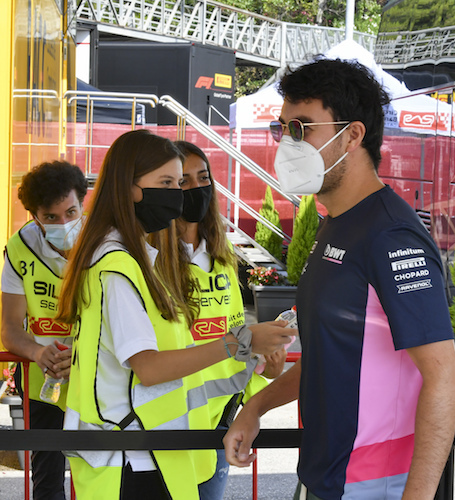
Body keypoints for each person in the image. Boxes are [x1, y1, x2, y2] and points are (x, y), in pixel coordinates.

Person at [223, 59, 455, 500]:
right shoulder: (336, 222)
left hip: (375, 483)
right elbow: (334, 359)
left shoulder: (390, 234)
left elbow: (445, 376)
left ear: (353, 135)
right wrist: (255, 407)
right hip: (328, 476)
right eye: (283, 129)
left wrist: (420, 493)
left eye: (302, 129)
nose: (287, 143)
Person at [55, 130, 293, 500]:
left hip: (154, 450)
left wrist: (251, 360)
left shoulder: (132, 262)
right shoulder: (117, 267)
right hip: (133, 458)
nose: (179, 195)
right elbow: (148, 368)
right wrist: (243, 341)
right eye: (168, 183)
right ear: (130, 188)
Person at [174, 140, 287, 500]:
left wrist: (269, 367)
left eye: (202, 177)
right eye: (182, 182)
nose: (195, 189)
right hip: (163, 428)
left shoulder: (222, 258)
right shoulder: (145, 261)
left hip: (218, 424)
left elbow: (240, 341)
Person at [1, 161, 88, 500]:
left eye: (71, 212)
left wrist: (80, 358)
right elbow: (9, 328)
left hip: (95, 379)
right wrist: (39, 352)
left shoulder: (104, 242)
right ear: (34, 215)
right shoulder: (19, 248)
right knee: (47, 481)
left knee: (100, 473)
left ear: (83, 203)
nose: (64, 224)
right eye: (50, 217)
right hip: (42, 382)